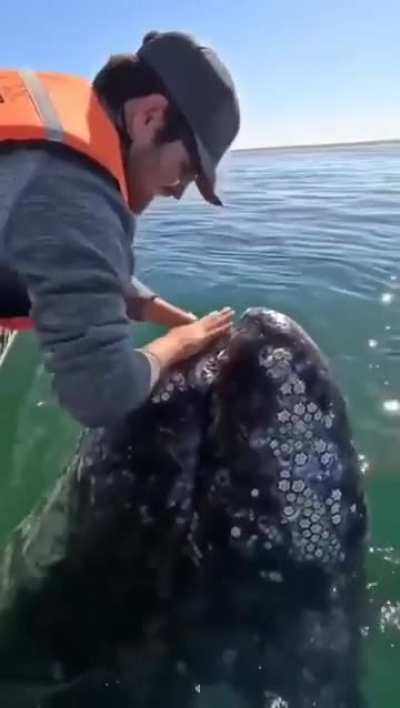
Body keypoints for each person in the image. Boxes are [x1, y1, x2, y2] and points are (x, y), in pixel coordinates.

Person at [0, 30, 240, 427]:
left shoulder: (53, 145)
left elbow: (72, 254)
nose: (179, 193)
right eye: (185, 171)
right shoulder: (76, 192)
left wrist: (174, 318)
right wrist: (179, 344)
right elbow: (100, 394)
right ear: (149, 118)